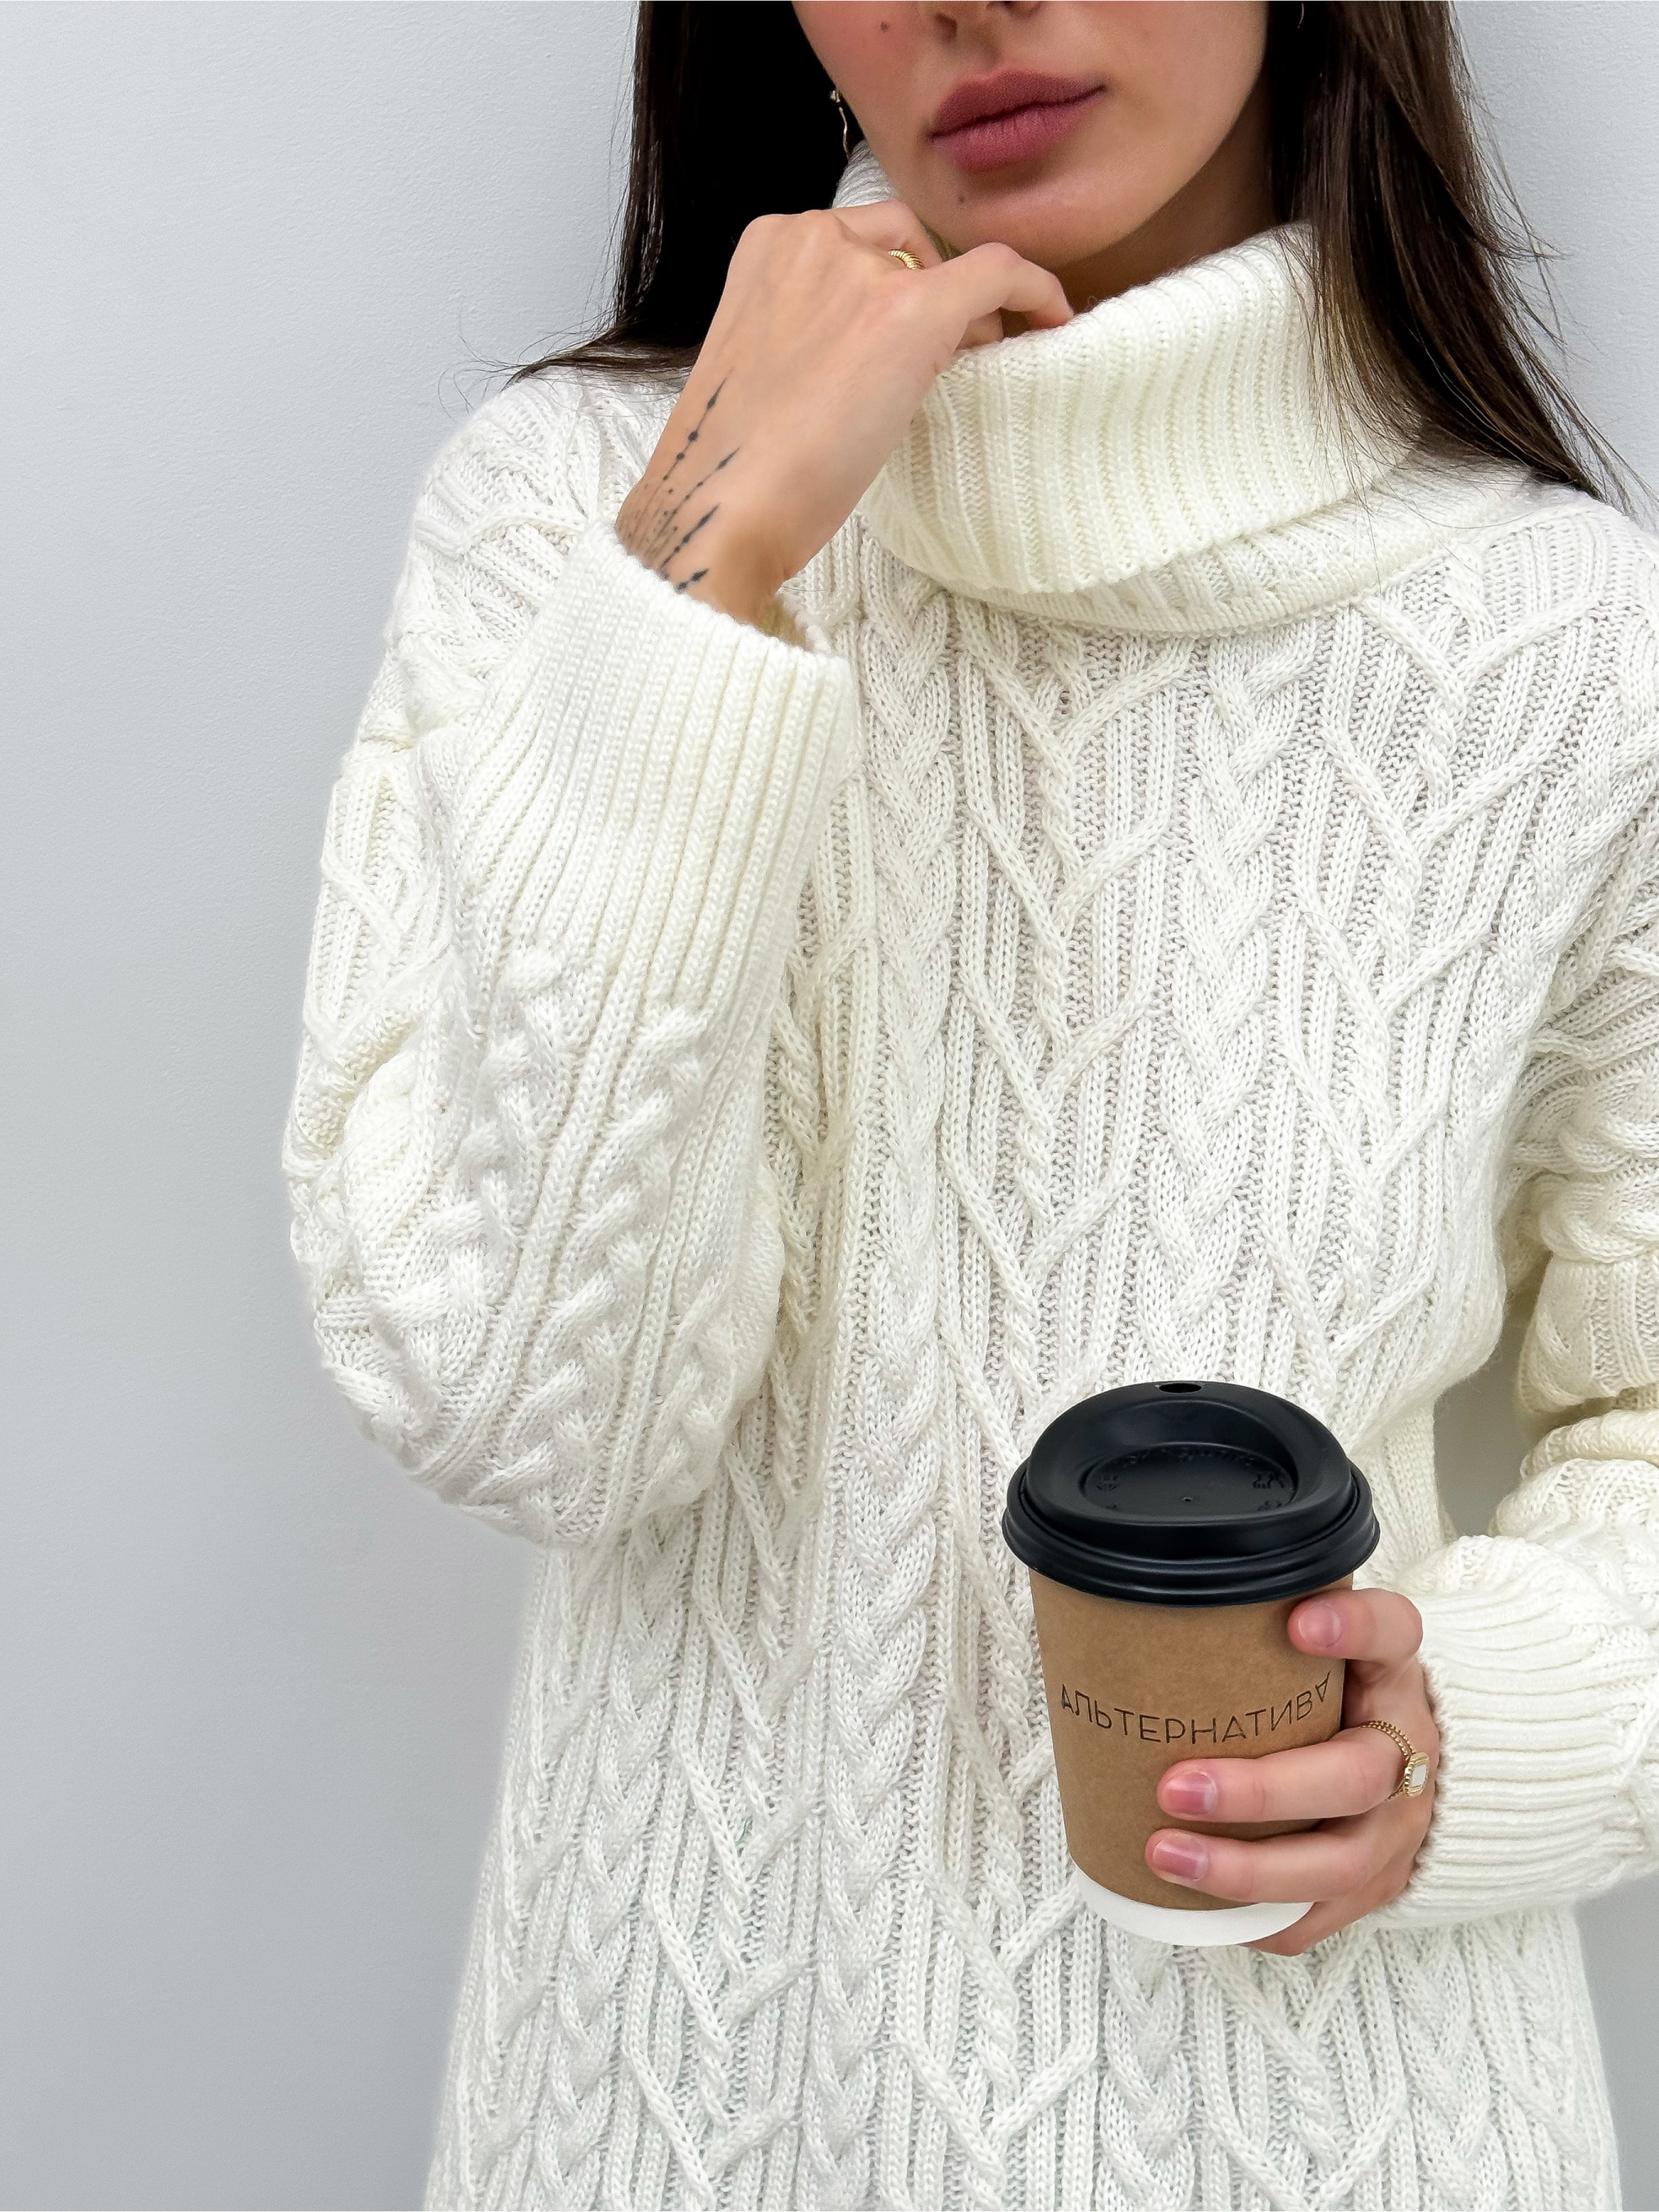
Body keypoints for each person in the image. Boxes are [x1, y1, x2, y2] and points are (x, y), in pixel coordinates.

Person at [282, 3, 1659, 2205]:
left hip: (1339, 2126)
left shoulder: (1569, 650)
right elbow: (526, 1405)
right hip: (679, 2118)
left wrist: (1475, 1732)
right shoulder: (573, 521)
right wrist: (700, 583)